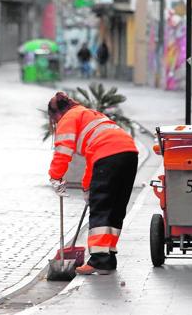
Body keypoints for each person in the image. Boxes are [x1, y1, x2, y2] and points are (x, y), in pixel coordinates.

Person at [47, 92, 138, 275]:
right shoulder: (89, 114)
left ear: (56, 114)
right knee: (115, 209)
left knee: (101, 209)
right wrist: (87, 187)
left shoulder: (68, 118)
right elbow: (93, 157)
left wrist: (55, 177)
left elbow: (62, 152)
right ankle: (108, 258)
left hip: (109, 157)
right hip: (129, 154)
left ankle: (99, 260)